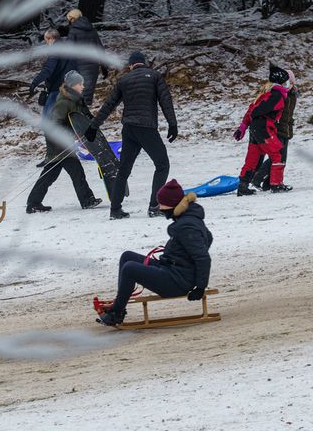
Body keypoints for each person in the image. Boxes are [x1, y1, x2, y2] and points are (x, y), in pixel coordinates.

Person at [96, 179, 212, 327]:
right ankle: (120, 303)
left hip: (177, 282)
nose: (160, 208)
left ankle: (116, 313)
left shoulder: (186, 226)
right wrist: (182, 257)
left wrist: (199, 287)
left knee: (130, 268)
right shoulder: (189, 219)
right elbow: (208, 238)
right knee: (127, 256)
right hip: (170, 269)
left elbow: (203, 257)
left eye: (162, 205)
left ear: (172, 205)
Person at [85, 51, 178, 220]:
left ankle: (115, 209)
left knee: (124, 170)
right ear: (143, 63)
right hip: (146, 128)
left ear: (130, 65)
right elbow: (166, 100)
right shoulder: (155, 76)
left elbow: (109, 105)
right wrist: (172, 124)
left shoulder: (124, 80)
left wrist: (93, 126)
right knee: (162, 164)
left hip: (129, 129)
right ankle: (154, 206)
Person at [26, 71, 103, 213]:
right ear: (73, 85)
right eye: (80, 84)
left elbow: (78, 120)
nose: (83, 86)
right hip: (58, 143)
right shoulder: (63, 102)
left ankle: (33, 203)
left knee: (49, 175)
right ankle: (87, 200)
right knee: (75, 173)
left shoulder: (73, 100)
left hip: (63, 143)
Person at [235, 64, 291, 196]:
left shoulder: (266, 93)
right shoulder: (277, 95)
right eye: (286, 81)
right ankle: (276, 184)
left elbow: (252, 109)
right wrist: (257, 117)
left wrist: (244, 125)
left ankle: (242, 186)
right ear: (282, 82)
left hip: (255, 127)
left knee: (254, 158)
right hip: (263, 127)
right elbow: (256, 111)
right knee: (277, 153)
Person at [253, 69, 299, 191]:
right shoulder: (279, 95)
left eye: (290, 84)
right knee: (278, 157)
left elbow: (289, 114)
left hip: (286, 129)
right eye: (286, 84)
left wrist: (290, 124)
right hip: (277, 129)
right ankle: (258, 178)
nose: (288, 86)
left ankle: (269, 182)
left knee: (282, 158)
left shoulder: (292, 94)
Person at [28, 28, 76, 117]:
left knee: (47, 116)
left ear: (50, 38)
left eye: (46, 41)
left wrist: (35, 82)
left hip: (58, 87)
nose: (47, 44)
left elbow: (48, 69)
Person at [66, 9, 105, 105]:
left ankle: (78, 116)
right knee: (87, 94)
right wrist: (104, 66)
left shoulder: (73, 31)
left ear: (72, 19)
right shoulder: (92, 29)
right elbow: (100, 48)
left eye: (69, 19)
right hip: (93, 65)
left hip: (79, 65)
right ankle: (85, 115)